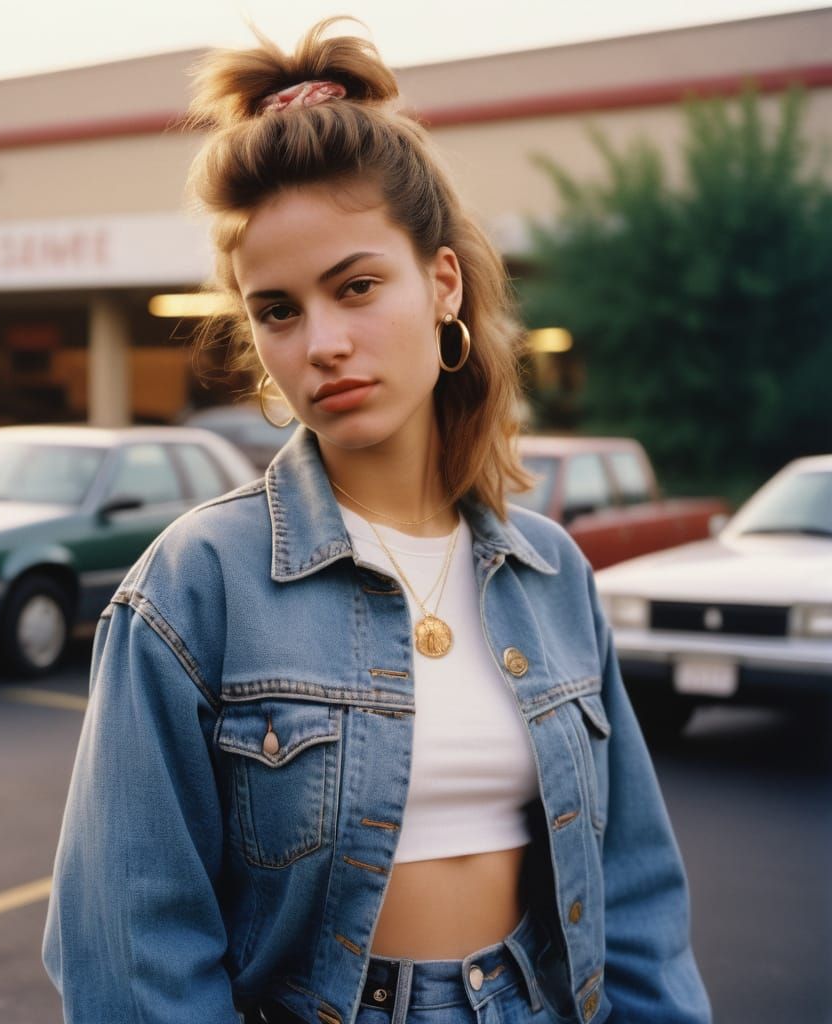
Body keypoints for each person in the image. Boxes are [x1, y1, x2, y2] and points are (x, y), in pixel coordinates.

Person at [43, 19, 711, 1024]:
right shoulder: (197, 582)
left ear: (441, 283)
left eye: (356, 287)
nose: (322, 343)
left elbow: (636, 897)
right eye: (278, 310)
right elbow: (130, 950)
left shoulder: (550, 572)